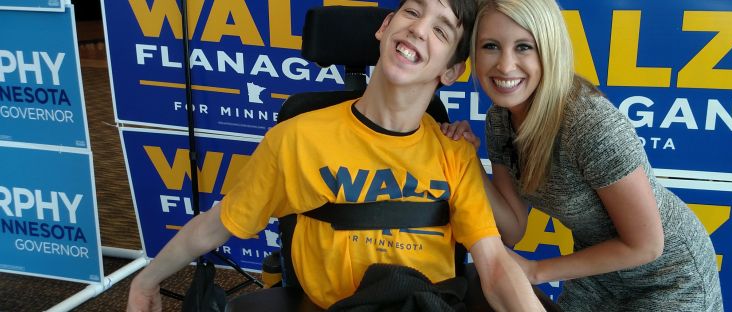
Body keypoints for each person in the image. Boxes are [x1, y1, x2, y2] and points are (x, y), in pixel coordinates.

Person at [126, 0, 545, 311]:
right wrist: (146, 281)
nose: (419, 29)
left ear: (450, 72)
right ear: (385, 27)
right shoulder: (296, 139)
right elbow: (218, 224)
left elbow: (492, 264)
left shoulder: (454, 150)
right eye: (413, 13)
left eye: (441, 31)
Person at [442, 0, 724, 310]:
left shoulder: (589, 121)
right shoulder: (499, 121)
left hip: (669, 276)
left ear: (549, 51)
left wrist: (537, 271)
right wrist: (468, 160)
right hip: (599, 270)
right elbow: (513, 229)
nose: (505, 65)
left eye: (524, 47)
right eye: (491, 46)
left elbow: (647, 245)